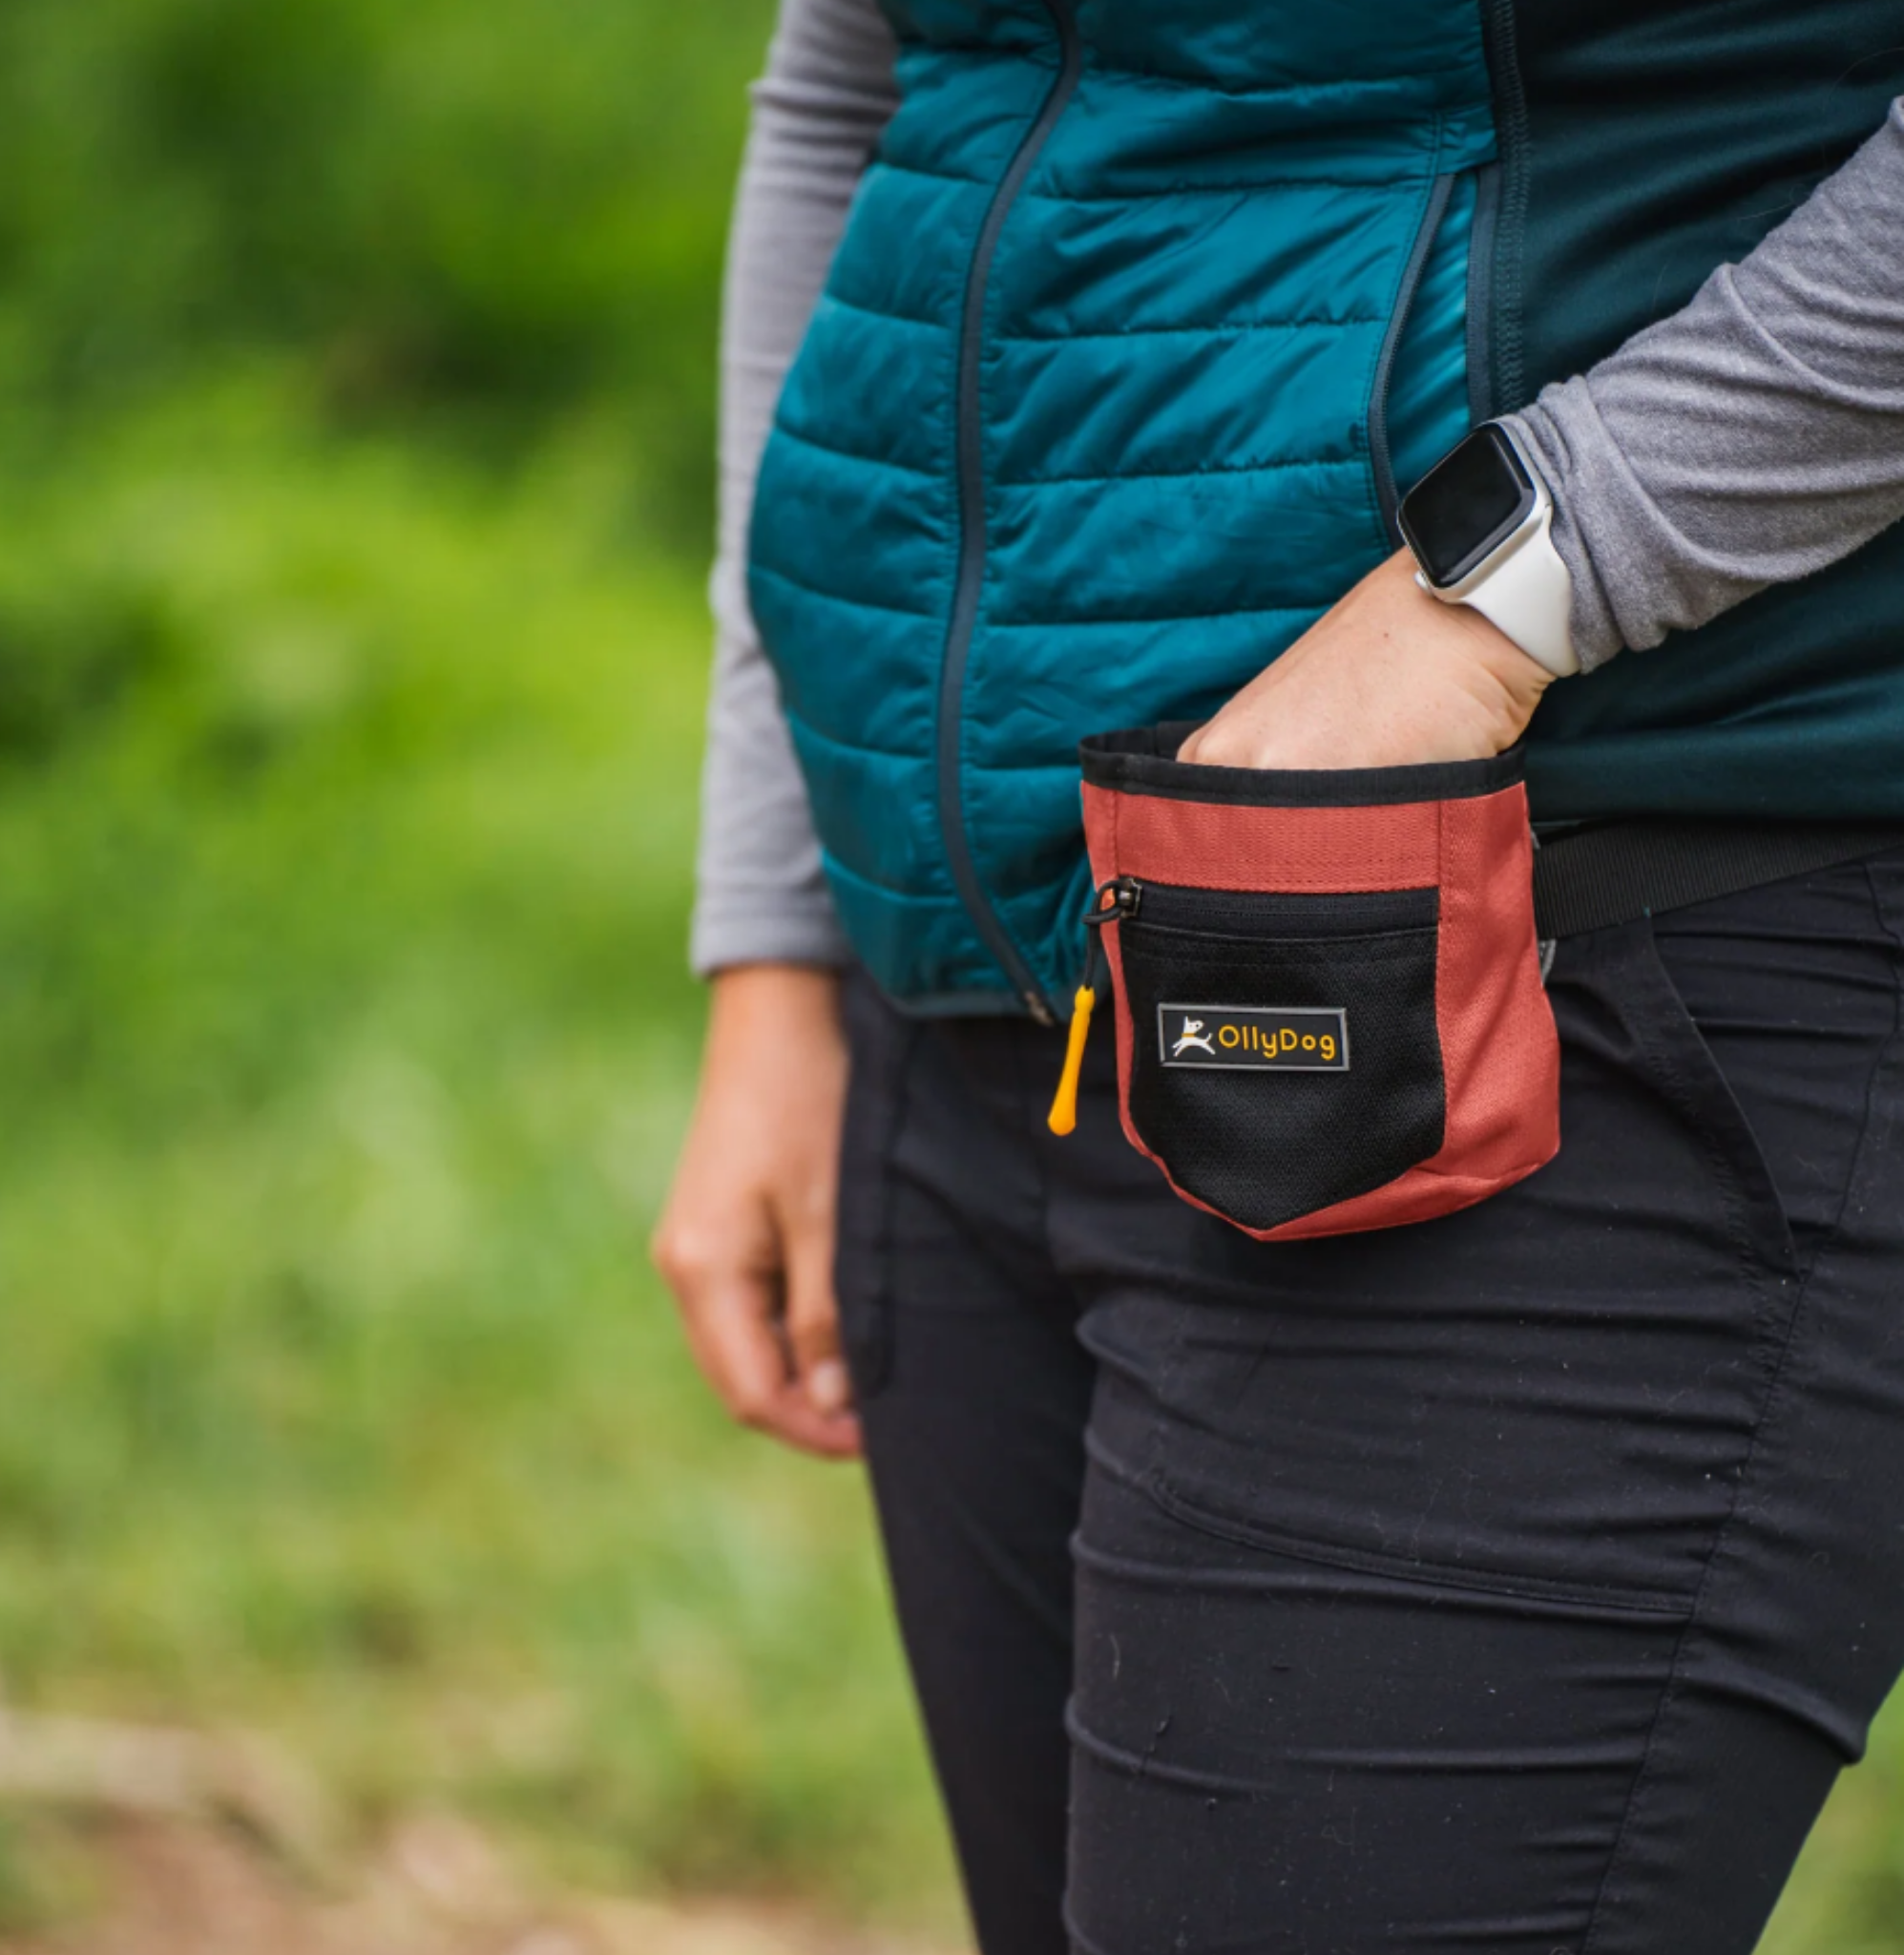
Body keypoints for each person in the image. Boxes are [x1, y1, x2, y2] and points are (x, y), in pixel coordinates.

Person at [653, 0, 1904, 1946]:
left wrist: (1509, 584)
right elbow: (866, 74)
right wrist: (778, 935)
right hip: (983, 997)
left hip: (1587, 967)